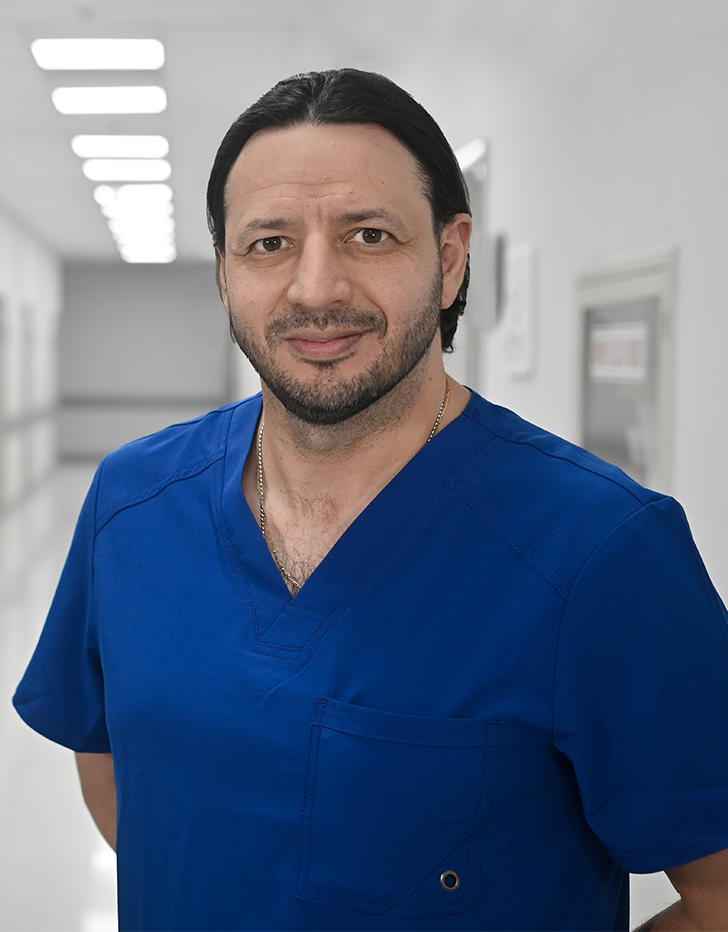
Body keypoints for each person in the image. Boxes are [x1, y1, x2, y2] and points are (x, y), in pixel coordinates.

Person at [12, 68, 728, 932]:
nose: (316, 289)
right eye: (269, 243)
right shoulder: (132, 504)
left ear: (450, 258)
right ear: (226, 272)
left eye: (369, 235)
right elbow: (112, 759)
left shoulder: (601, 550)